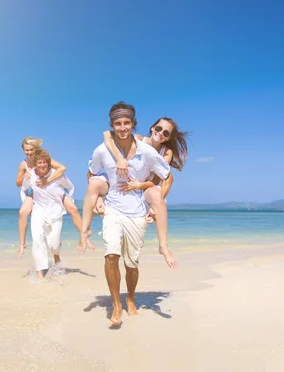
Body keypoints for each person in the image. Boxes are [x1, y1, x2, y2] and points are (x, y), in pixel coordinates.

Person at [79, 101, 177, 326]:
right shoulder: (102, 150)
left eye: (126, 123)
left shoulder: (148, 152)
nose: (122, 127)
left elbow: (166, 175)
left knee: (131, 264)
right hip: (113, 208)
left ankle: (131, 298)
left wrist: (147, 194)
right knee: (111, 255)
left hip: (137, 212)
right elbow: (91, 173)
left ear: (134, 124)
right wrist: (100, 199)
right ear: (112, 125)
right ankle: (116, 304)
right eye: (118, 123)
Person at [78, 117, 189, 264]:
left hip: (146, 185)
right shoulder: (138, 139)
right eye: (158, 128)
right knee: (95, 183)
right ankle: (85, 230)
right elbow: (107, 135)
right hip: (121, 181)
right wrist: (99, 197)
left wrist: (139, 186)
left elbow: (157, 179)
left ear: (168, 137)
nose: (161, 133)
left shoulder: (165, 152)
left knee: (158, 193)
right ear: (152, 128)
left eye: (166, 133)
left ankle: (163, 247)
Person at [16, 137, 93, 256]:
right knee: (22, 212)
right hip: (36, 191)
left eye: (31, 149)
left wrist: (47, 180)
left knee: (72, 209)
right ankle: (22, 243)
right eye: (26, 150)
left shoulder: (44, 158)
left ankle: (84, 235)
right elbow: (18, 183)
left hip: (54, 190)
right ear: (23, 150)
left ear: (36, 148)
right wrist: (25, 175)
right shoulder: (23, 164)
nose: (29, 153)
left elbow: (62, 168)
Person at [21, 148, 74, 279]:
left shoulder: (57, 174)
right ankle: (40, 274)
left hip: (55, 213)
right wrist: (29, 204)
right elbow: (23, 190)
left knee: (53, 244)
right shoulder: (30, 175)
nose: (43, 165)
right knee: (37, 241)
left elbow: (70, 187)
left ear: (49, 163)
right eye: (40, 162)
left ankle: (56, 256)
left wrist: (67, 199)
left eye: (45, 162)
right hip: (38, 213)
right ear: (35, 164)